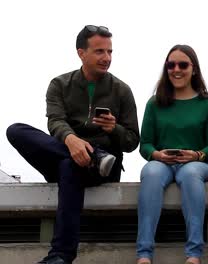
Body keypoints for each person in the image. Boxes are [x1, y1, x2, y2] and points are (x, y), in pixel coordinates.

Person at [6, 25, 140, 264]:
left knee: (70, 167)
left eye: (110, 52)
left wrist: (114, 128)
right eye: (100, 51)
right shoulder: (60, 84)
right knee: (16, 130)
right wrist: (72, 141)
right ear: (81, 53)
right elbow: (55, 122)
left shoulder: (122, 90)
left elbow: (132, 141)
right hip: (65, 153)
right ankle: (92, 155)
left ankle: (60, 256)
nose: (107, 58)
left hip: (104, 169)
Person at [136, 45, 208, 264]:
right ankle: (144, 253)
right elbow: (144, 144)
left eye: (183, 64)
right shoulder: (154, 103)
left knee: (190, 173)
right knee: (151, 172)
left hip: (197, 164)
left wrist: (197, 155)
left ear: (194, 69)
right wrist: (156, 154)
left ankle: (194, 253)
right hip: (162, 163)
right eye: (171, 65)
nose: (176, 69)